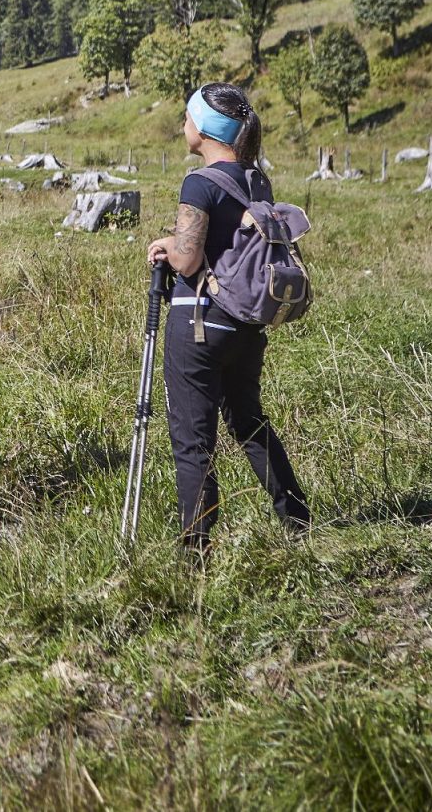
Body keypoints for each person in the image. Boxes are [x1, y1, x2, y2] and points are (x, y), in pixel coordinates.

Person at [144, 82, 310, 550]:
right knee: (250, 422)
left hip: (198, 324)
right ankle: (296, 517)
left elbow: (190, 260)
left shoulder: (198, 183)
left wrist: (167, 247)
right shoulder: (257, 180)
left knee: (193, 439)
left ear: (204, 128)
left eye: (187, 116)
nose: (183, 125)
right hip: (246, 326)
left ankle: (195, 545)